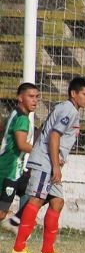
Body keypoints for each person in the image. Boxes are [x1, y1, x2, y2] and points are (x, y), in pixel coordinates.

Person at [12, 77, 85, 253]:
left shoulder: (68, 109)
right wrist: (55, 165)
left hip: (49, 162)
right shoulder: (68, 110)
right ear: (74, 93)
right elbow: (54, 136)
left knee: (57, 202)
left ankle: (47, 251)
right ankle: (18, 248)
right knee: (36, 199)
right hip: (46, 163)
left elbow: (46, 131)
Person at [0, 83, 38, 229]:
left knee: (38, 192)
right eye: (31, 96)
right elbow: (22, 144)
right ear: (20, 98)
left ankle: (16, 220)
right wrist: (42, 152)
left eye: (36, 97)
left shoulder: (15, 113)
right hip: (9, 171)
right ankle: (15, 221)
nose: (34, 100)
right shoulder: (22, 119)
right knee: (2, 212)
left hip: (14, 168)